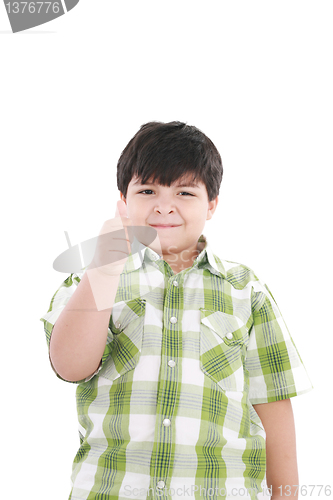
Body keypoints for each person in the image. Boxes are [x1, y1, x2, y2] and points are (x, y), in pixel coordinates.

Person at [40, 121, 312, 500]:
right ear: (123, 201)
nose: (164, 205)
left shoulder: (244, 288)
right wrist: (103, 267)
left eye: (185, 192)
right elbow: (70, 366)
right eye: (147, 190)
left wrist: (287, 495)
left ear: (212, 204)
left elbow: (274, 401)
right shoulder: (91, 279)